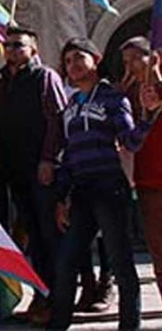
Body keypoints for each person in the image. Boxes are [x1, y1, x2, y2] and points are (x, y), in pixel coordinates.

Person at [49, 38, 162, 330]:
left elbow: (130, 141)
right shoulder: (70, 106)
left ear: (95, 60)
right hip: (81, 191)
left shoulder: (113, 98)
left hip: (109, 187)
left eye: (79, 58)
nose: (73, 65)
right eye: (68, 61)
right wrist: (61, 196)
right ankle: (58, 324)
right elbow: (69, 154)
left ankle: (129, 324)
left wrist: (148, 117)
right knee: (66, 261)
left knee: (120, 261)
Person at [0, 26, 66, 324]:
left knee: (49, 236)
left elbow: (56, 120)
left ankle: (58, 301)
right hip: (15, 171)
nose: (11, 50)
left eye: (18, 45)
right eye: (7, 45)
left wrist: (48, 159)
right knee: (32, 236)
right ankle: (41, 296)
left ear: (33, 49)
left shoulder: (44, 77)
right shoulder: (1, 84)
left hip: (41, 171)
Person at [119, 36, 162, 299]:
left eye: (136, 58)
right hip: (147, 181)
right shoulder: (127, 95)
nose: (131, 66)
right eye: (126, 62)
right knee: (158, 250)